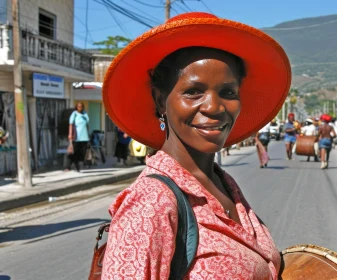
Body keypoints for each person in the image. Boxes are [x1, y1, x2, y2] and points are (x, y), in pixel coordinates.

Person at [100, 12, 290, 279]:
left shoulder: (224, 183)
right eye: (193, 92)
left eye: (228, 92)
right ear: (160, 100)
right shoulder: (151, 203)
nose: (214, 107)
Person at [65, 102, 89, 172]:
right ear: (76, 107)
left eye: (81, 106)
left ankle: (77, 165)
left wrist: (88, 134)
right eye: (78, 106)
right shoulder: (74, 114)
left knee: (82, 153)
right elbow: (70, 124)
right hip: (76, 137)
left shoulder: (85, 114)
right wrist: (70, 134)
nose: (80, 108)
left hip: (84, 137)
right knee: (74, 152)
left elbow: (87, 124)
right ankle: (72, 166)